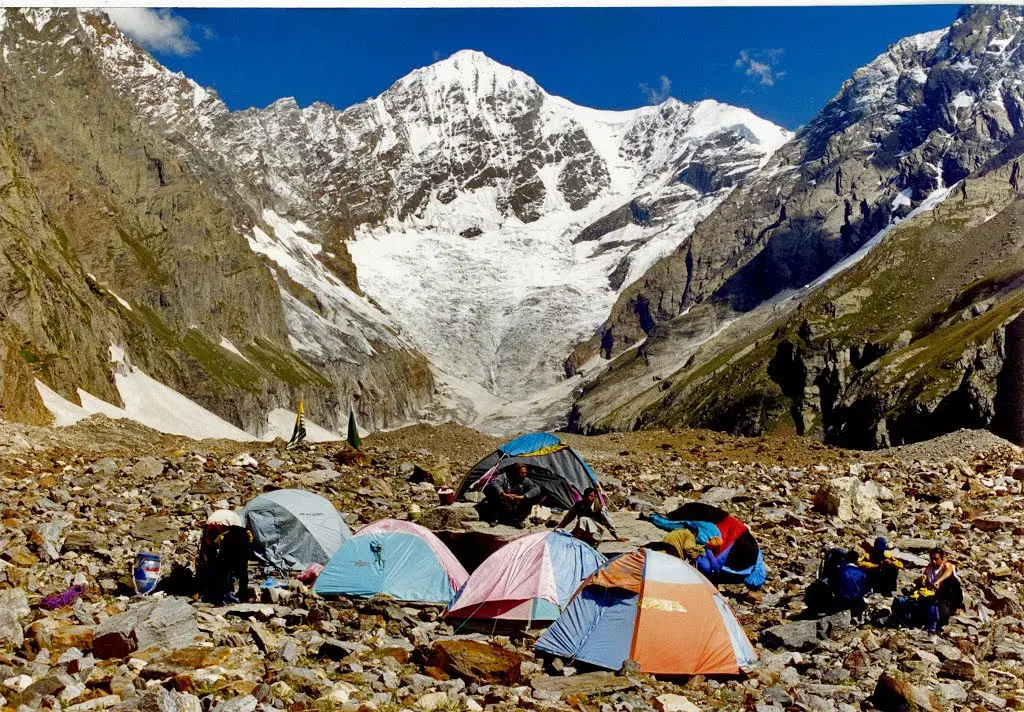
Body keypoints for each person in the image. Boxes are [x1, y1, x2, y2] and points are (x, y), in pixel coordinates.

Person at [890, 547, 963, 632]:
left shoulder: (947, 566)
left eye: (936, 559)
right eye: (932, 559)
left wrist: (938, 582)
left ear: (942, 559)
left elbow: (948, 572)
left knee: (949, 583)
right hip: (936, 597)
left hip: (950, 598)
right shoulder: (929, 569)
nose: (934, 561)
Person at [197, 509, 252, 605]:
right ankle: (235, 592)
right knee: (234, 569)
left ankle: (217, 591)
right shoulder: (234, 530)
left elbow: (212, 549)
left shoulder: (217, 530)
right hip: (233, 543)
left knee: (220, 568)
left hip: (228, 543)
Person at [558, 488, 626, 545]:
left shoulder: (600, 508)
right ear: (583, 496)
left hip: (596, 528)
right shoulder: (579, 505)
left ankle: (589, 538)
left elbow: (608, 522)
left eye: (591, 496)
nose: (589, 498)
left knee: (583, 519)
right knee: (582, 521)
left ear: (595, 497)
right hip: (582, 529)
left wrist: (617, 537)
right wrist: (560, 527)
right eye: (587, 496)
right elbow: (568, 517)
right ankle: (580, 536)